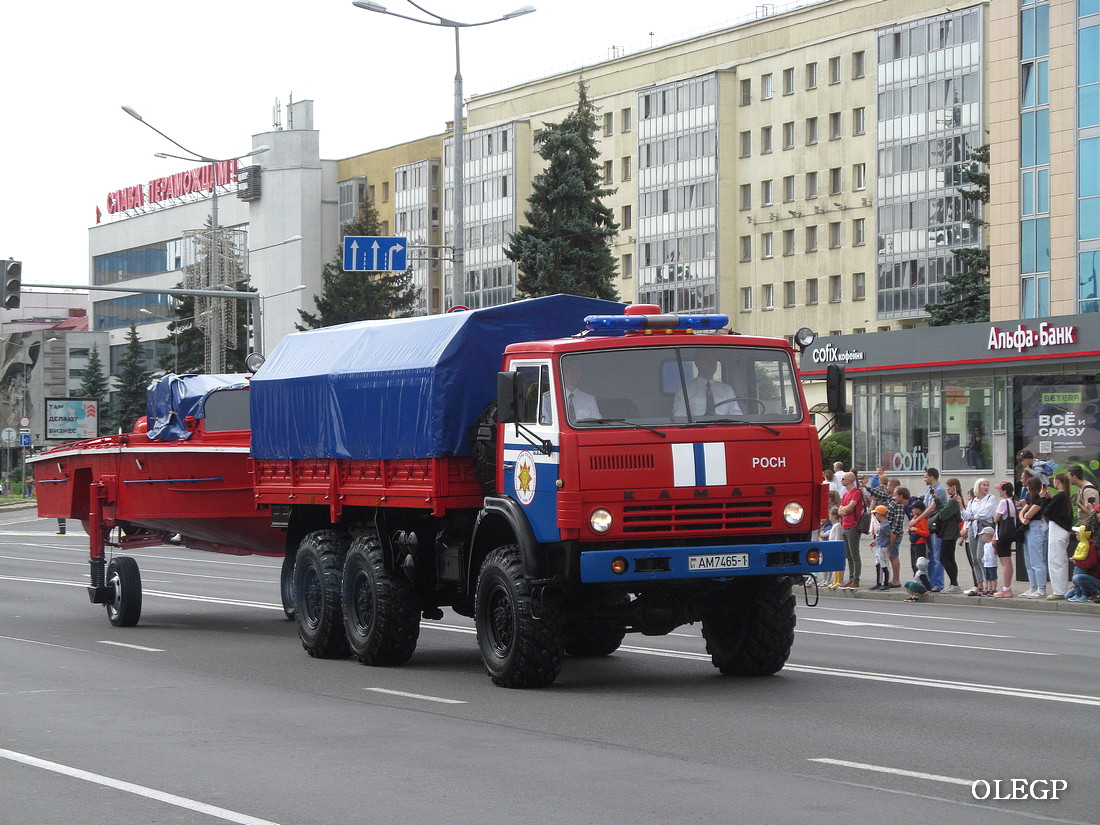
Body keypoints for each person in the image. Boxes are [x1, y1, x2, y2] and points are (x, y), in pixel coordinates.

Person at [909, 467, 947, 591]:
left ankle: (938, 584)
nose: (924, 479)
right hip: (929, 525)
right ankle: (929, 582)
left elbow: (931, 508)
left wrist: (918, 519)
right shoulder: (929, 490)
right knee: (930, 555)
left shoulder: (939, 490)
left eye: (926, 476)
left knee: (937, 556)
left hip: (937, 526)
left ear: (932, 477)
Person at [672, 350, 739, 418]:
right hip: (696, 427)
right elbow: (679, 414)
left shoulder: (727, 390)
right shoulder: (685, 390)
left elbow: (736, 414)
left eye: (713, 359)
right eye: (706, 359)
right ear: (697, 363)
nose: (711, 363)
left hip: (723, 427)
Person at [962, 478, 997, 591]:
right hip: (974, 527)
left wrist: (973, 516)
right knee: (974, 558)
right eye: (984, 485)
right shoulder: (973, 501)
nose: (986, 487)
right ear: (978, 487)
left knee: (981, 556)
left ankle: (988, 583)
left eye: (987, 485)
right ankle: (979, 584)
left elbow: (986, 513)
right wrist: (962, 507)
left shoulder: (990, 498)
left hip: (985, 528)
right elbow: (966, 515)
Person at [1044, 472, 1074, 600]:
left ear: (1058, 481)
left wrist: (1044, 499)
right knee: (1061, 559)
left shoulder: (1059, 497)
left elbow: (1046, 511)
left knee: (1055, 559)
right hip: (1063, 530)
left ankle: (1059, 590)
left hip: (1057, 529)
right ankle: (1061, 588)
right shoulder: (1064, 497)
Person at [1019, 475, 1049, 599]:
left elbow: (1028, 515)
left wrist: (1024, 517)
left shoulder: (1038, 501)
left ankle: (1041, 588)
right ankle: (1033, 587)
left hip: (1036, 528)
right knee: (1029, 560)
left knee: (1037, 559)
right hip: (1029, 528)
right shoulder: (1031, 500)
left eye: (1028, 488)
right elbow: (1022, 513)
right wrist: (1024, 518)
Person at [936, 477, 965, 593]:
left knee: (945, 558)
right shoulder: (954, 500)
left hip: (950, 533)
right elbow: (944, 509)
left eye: (948, 486)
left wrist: (940, 510)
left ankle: (954, 583)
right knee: (950, 558)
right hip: (951, 533)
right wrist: (938, 501)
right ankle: (953, 583)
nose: (946, 489)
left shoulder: (954, 501)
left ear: (953, 487)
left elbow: (943, 514)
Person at [838, 470, 864, 588]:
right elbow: (840, 509)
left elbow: (849, 508)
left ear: (849, 480)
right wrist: (843, 510)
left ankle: (856, 579)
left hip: (853, 525)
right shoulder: (845, 494)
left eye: (843, 479)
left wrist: (844, 510)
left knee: (854, 554)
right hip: (845, 525)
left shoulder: (856, 492)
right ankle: (851, 578)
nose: (841, 481)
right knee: (848, 554)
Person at [993, 481, 1019, 598]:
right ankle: (1006, 586)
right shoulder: (1012, 502)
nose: (999, 491)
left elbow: (996, 518)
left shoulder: (1004, 502)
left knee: (1005, 562)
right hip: (1009, 534)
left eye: (1000, 489)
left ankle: (1006, 588)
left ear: (1004, 491)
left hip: (1002, 535)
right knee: (1007, 561)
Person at [1068, 522, 1100, 603]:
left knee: (1078, 577)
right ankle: (1085, 592)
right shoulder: (1083, 544)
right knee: (1068, 595)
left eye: (1078, 533)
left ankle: (1094, 592)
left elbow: (1091, 562)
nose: (1076, 535)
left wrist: (1077, 562)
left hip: (1095, 578)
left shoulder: (1092, 546)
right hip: (1088, 577)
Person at [965, 526, 999, 596]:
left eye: (983, 535)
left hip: (992, 564)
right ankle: (987, 588)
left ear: (988, 535)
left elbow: (995, 552)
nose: (982, 537)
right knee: (989, 577)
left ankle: (993, 589)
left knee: (993, 577)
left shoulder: (992, 544)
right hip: (987, 564)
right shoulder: (986, 545)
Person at [869, 504, 892, 590]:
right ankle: (878, 582)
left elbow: (891, 536)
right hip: (879, 546)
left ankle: (886, 583)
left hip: (883, 547)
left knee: (885, 565)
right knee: (878, 564)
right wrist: (875, 542)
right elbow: (880, 536)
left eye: (876, 514)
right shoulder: (881, 525)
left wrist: (890, 546)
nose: (875, 515)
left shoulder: (885, 525)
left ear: (880, 514)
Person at [908, 499, 930, 575]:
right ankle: (916, 577)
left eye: (913, 509)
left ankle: (921, 579)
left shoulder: (922, 520)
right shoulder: (914, 518)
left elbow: (926, 533)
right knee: (913, 563)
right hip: (913, 542)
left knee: (919, 563)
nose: (912, 510)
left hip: (920, 543)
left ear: (918, 509)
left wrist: (916, 529)